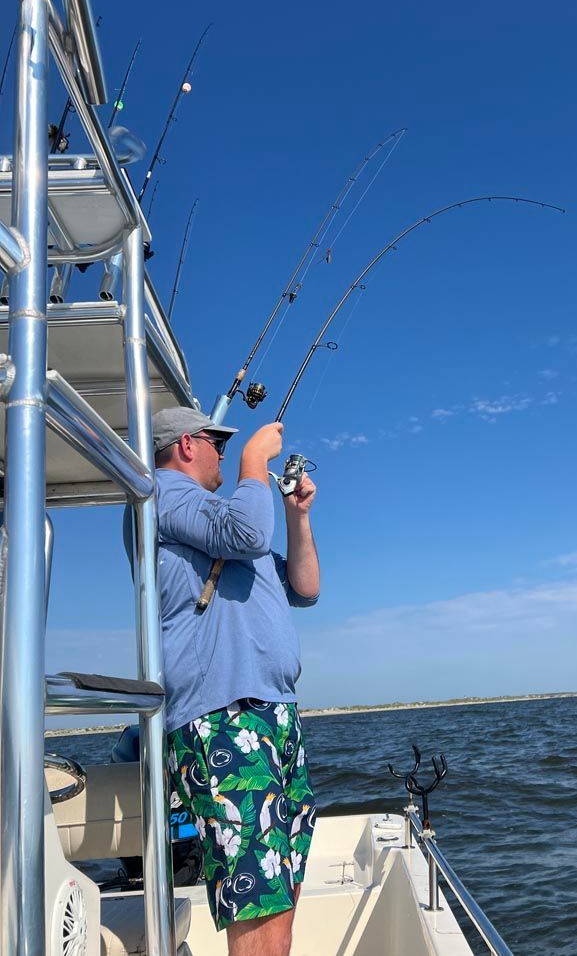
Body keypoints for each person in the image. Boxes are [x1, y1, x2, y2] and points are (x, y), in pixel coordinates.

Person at [149, 406, 320, 956]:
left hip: (273, 713)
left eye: (231, 447)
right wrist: (253, 460)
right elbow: (246, 530)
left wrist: (297, 516)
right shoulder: (163, 495)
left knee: (281, 888)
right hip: (224, 716)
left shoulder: (216, 523)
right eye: (217, 443)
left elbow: (305, 587)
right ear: (184, 446)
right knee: (258, 904)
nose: (224, 452)